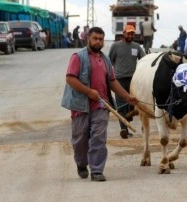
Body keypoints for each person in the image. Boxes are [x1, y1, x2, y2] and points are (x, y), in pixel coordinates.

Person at [61, 27, 138, 182]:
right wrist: (89, 92)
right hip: (80, 106)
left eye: (101, 39)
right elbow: (70, 78)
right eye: (95, 38)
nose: (98, 42)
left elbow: (112, 81)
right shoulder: (78, 57)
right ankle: (82, 164)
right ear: (88, 38)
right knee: (80, 139)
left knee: (98, 137)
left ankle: (96, 170)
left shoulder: (105, 59)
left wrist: (127, 96)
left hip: (101, 105)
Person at [108, 25, 145, 139]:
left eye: (132, 34)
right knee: (120, 105)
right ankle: (123, 129)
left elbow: (143, 60)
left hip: (133, 80)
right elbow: (110, 60)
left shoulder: (137, 47)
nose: (130, 36)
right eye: (128, 33)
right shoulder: (115, 46)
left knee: (132, 103)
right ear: (123, 33)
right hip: (118, 80)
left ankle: (128, 117)